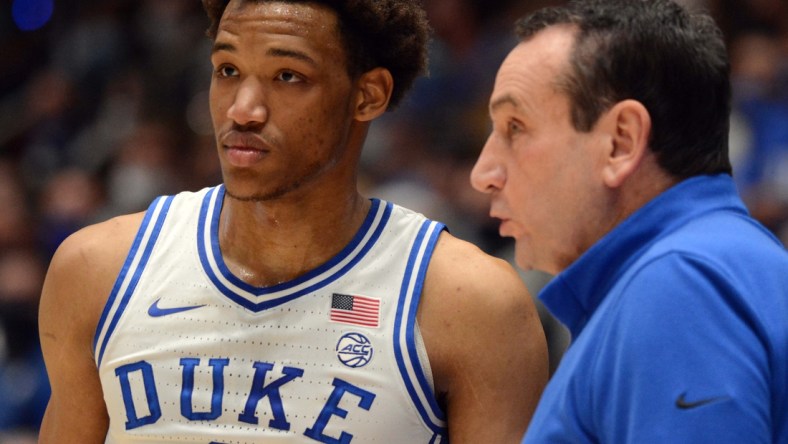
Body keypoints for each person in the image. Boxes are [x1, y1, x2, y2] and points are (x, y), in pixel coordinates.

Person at [38, 0, 549, 442]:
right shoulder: (97, 270)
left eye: (288, 77)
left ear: (369, 94)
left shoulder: (471, 304)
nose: (243, 110)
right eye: (227, 70)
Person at [469, 0, 788, 442]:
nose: (483, 174)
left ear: (621, 142)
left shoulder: (680, 287)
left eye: (515, 127)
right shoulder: (706, 265)